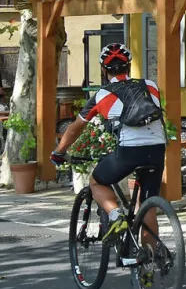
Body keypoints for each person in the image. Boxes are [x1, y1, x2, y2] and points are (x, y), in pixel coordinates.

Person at [51, 44, 164, 244]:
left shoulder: (102, 95)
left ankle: (115, 216)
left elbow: (76, 127)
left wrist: (59, 151)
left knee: (96, 181)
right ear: (129, 67)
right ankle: (149, 263)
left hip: (129, 151)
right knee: (147, 206)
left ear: (104, 70)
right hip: (156, 149)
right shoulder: (150, 85)